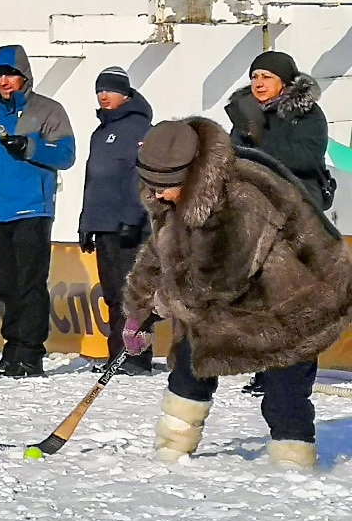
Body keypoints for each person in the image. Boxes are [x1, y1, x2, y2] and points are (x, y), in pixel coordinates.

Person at [123, 118, 352, 468]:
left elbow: (221, 279)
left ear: (191, 174)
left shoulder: (243, 193)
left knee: (284, 393)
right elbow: (161, 251)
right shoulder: (174, 193)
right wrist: (139, 312)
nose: (157, 195)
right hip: (235, 294)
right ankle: (171, 451)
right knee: (190, 362)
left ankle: (294, 466)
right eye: (151, 186)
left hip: (296, 298)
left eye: (165, 187)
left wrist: (163, 303)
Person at [0, 44, 75, 378]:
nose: (4, 81)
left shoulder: (48, 111)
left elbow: (66, 154)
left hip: (32, 210)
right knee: (6, 286)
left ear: (24, 76)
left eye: (10, 74)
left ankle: (30, 354)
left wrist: (31, 147)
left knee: (30, 284)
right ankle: (12, 350)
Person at [78, 67, 154, 375]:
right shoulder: (99, 133)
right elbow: (92, 181)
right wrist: (86, 224)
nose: (103, 96)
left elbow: (145, 176)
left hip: (130, 227)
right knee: (111, 293)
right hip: (103, 224)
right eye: (99, 91)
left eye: (109, 90)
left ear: (125, 93)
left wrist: (134, 217)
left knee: (132, 294)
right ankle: (117, 355)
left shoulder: (142, 129)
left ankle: (135, 358)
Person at [225, 50, 328, 211]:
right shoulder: (246, 112)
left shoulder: (307, 113)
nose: (259, 84)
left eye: (267, 77)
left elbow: (308, 159)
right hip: (253, 185)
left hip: (300, 184)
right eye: (254, 77)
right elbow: (235, 153)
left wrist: (260, 141)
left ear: (284, 82)